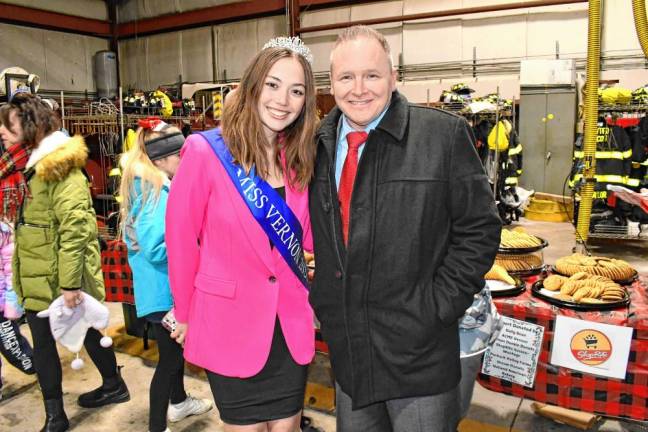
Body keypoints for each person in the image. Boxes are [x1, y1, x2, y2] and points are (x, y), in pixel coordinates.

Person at [308, 26, 502, 432]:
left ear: (394, 77)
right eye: (346, 77)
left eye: (372, 75)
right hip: (350, 354)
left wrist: (436, 308)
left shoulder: (442, 136)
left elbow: (479, 229)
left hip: (420, 357)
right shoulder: (317, 146)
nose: (359, 89)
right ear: (331, 83)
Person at [166, 37, 318, 431]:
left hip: (288, 325)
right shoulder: (205, 151)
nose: (283, 99)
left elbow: (309, 239)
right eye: (272, 84)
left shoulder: (300, 158)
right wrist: (183, 313)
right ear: (252, 86)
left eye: (296, 90)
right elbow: (181, 240)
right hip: (229, 322)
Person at [0, 93, 129, 432]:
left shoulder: (59, 168)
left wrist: (71, 284)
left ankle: (65, 412)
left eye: (9, 125)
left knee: (69, 335)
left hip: (59, 274)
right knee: (69, 335)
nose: (2, 131)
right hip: (36, 269)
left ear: (31, 126)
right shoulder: (28, 165)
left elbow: (76, 230)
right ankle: (95, 394)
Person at [119, 119, 213, 432]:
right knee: (171, 360)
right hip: (164, 292)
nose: (183, 162)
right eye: (178, 157)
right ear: (160, 160)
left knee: (172, 354)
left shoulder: (152, 182)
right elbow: (156, 247)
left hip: (161, 288)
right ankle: (157, 426)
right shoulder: (155, 188)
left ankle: (179, 402)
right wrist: (196, 242)